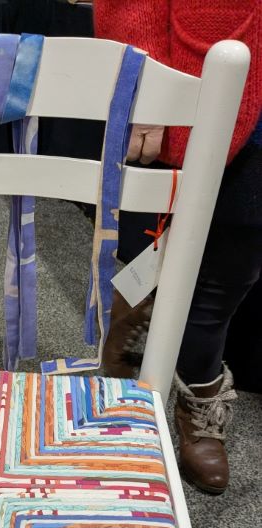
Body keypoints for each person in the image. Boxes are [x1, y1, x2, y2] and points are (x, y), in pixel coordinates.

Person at [94, 0, 262, 494]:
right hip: (187, 70)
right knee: (147, 248)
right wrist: (143, 75)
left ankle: (198, 391)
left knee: (234, 265)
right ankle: (123, 358)